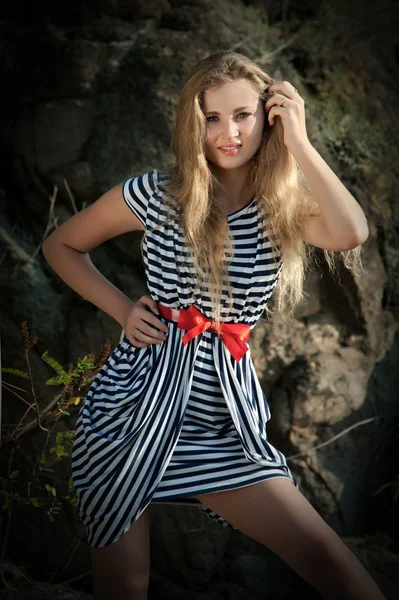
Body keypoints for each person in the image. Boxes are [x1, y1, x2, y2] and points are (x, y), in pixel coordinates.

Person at [42, 51, 385, 600]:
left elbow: (351, 232)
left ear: (268, 115)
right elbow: (60, 245)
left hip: (221, 420)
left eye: (244, 115)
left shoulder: (283, 209)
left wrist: (298, 139)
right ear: (193, 122)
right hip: (131, 409)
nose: (229, 132)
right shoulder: (156, 195)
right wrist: (124, 309)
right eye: (212, 118)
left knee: (332, 565)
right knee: (126, 588)